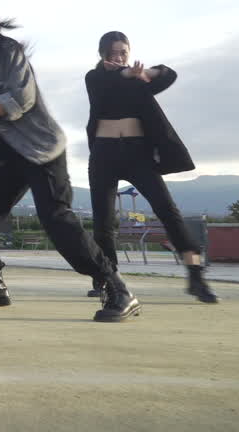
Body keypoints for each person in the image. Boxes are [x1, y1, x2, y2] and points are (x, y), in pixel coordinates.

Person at [0, 0, 140, 322]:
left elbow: (20, 100)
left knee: (56, 218)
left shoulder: (9, 52)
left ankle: (116, 286)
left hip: (40, 148)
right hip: (7, 154)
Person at [86, 31, 217, 303]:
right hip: (104, 153)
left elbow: (169, 74)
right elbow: (108, 78)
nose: (119, 57)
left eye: (124, 52)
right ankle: (108, 279)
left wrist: (145, 74)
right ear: (102, 54)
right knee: (103, 222)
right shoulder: (95, 78)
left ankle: (195, 273)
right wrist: (128, 74)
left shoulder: (139, 82)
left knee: (168, 212)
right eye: (113, 52)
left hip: (138, 154)